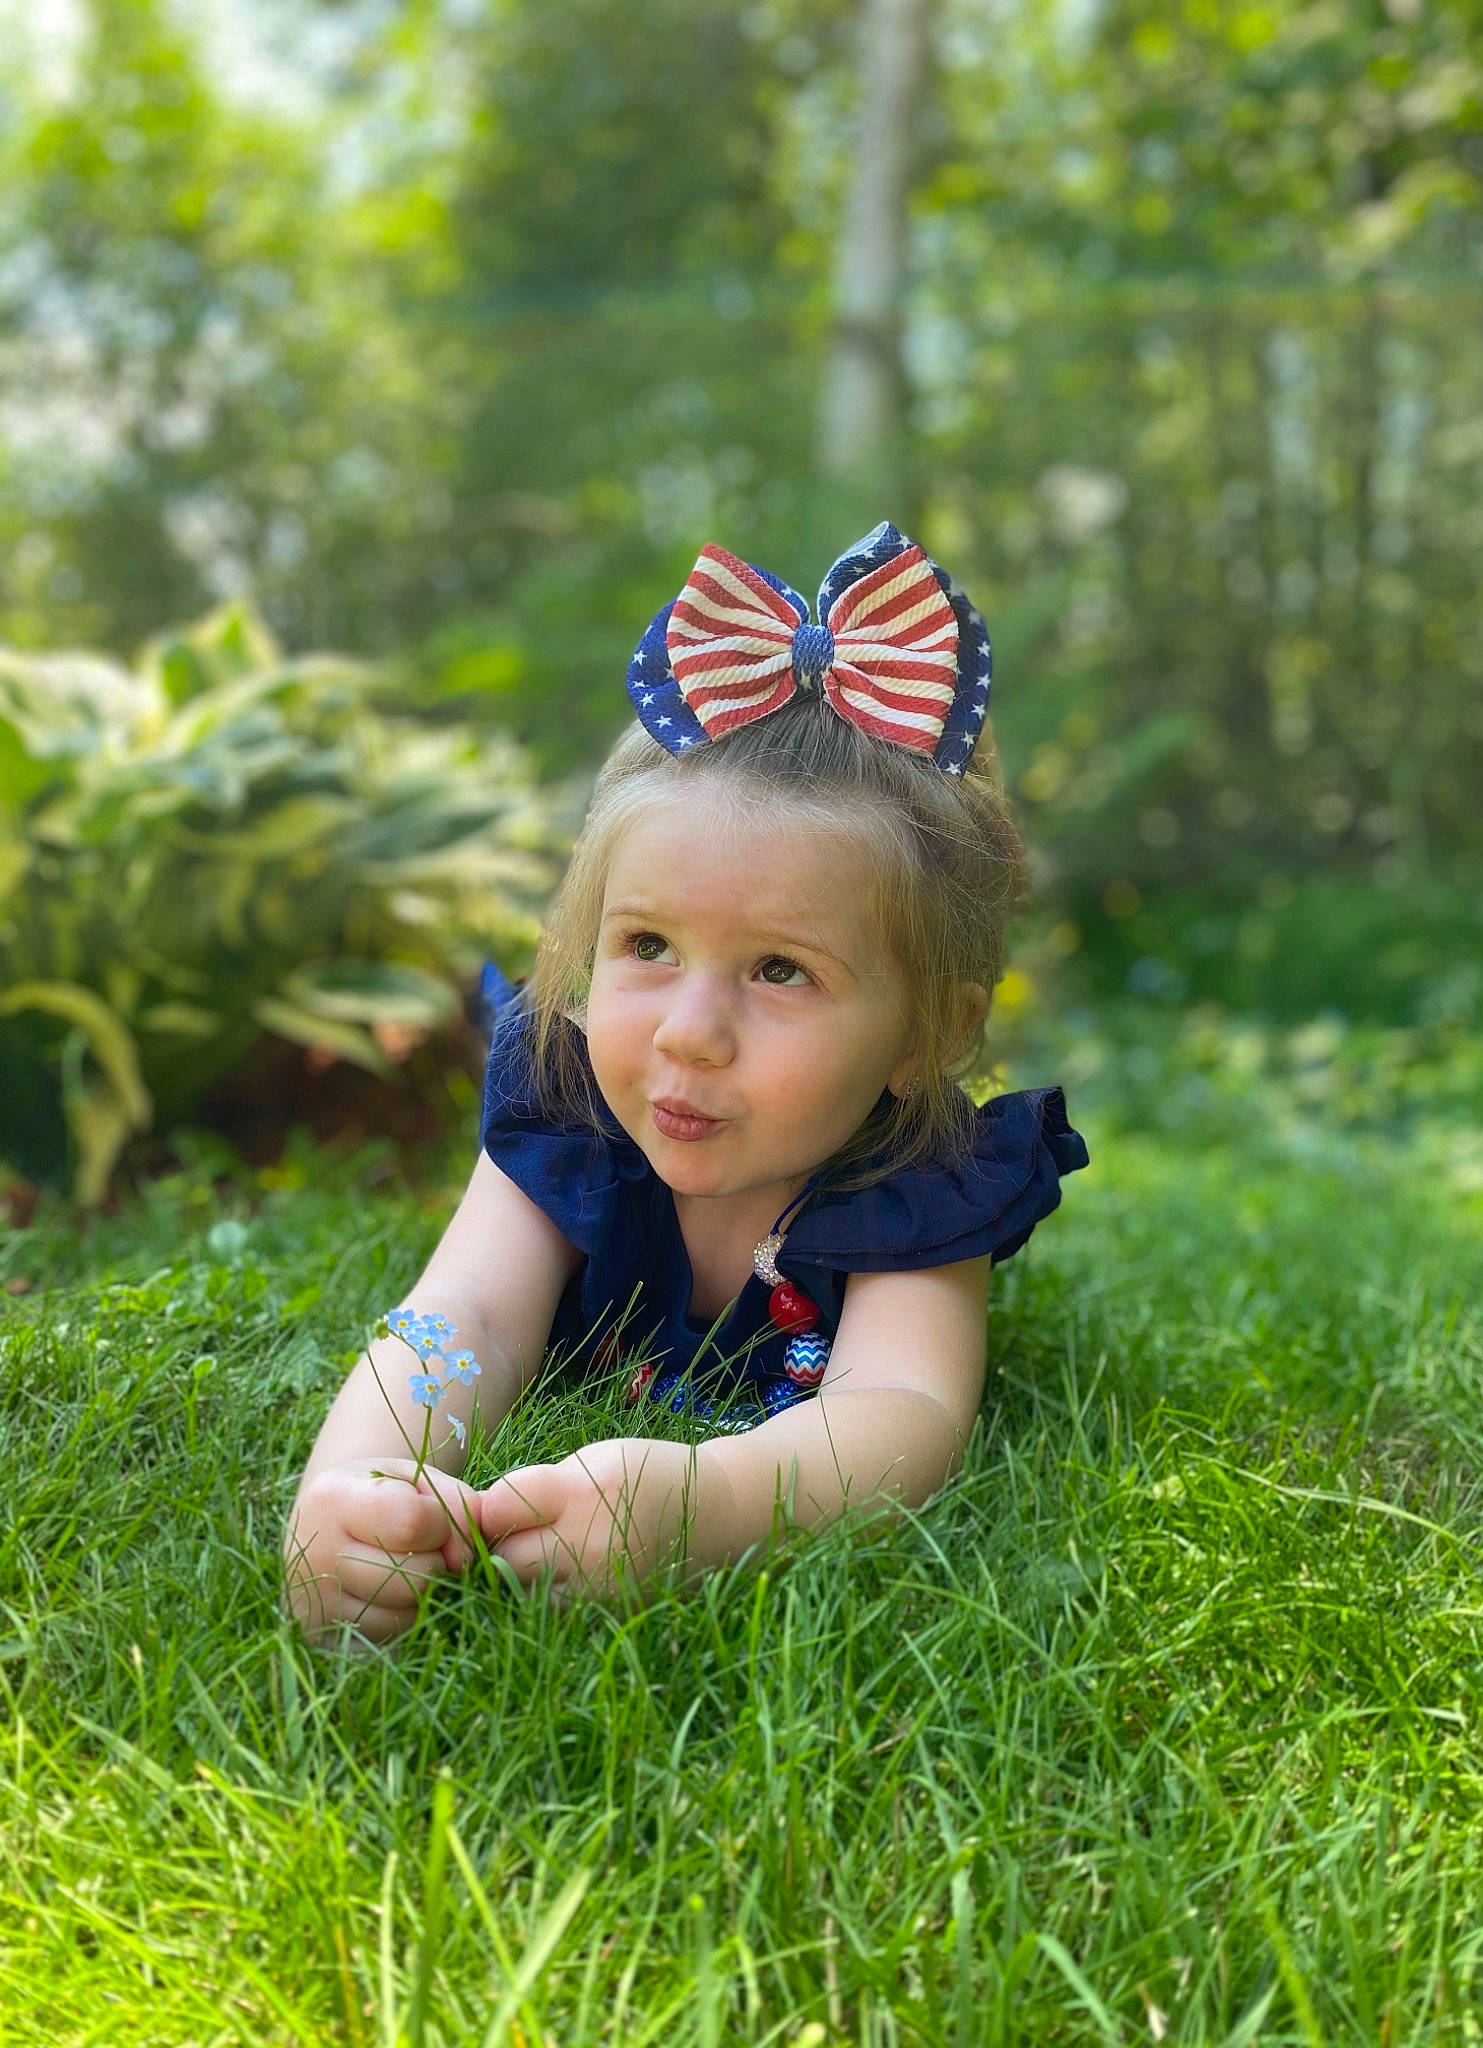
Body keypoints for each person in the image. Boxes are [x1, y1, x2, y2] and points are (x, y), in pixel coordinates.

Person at [285, 522, 1088, 1642]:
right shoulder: (568, 1113)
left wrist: (704, 1506)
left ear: (925, 1032)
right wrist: (363, 1476)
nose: (689, 1033)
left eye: (781, 969)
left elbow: (901, 1412)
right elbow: (458, 1317)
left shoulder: (920, 1179)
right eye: (648, 945)